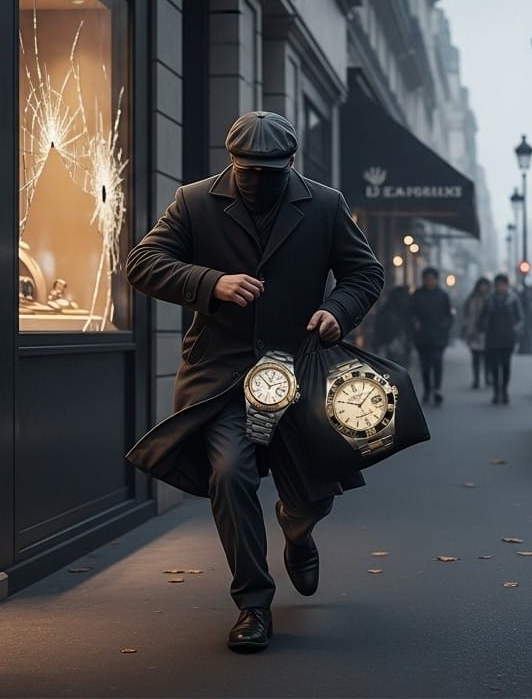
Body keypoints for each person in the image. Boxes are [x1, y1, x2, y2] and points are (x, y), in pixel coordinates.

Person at [125, 111, 385, 652]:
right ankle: (252, 604)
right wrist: (211, 282)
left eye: (270, 171)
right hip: (220, 378)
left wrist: (338, 310)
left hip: (302, 370)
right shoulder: (194, 201)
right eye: (247, 170)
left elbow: (366, 273)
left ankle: (297, 526)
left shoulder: (326, 204)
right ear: (231, 162)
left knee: (317, 488)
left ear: (290, 163)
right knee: (230, 473)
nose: (258, 180)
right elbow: (143, 262)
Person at [410, 267, 453, 405]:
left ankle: (437, 389)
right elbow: (411, 312)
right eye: (427, 279)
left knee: (437, 362)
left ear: (436, 280)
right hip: (422, 336)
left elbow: (449, 315)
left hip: (438, 335)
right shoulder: (418, 294)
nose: (429, 282)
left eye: (432, 279)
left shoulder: (443, 295)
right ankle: (428, 389)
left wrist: (445, 326)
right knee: (425, 365)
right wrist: (415, 322)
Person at [481, 274, 524, 404]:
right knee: (494, 367)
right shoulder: (489, 299)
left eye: (502, 285)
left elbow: (520, 317)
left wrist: (515, 330)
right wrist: (483, 327)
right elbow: (482, 317)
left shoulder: (513, 299)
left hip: (507, 337)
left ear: (506, 285)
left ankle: (504, 391)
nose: (500, 287)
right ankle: (496, 392)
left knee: (506, 366)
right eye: (498, 285)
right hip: (492, 337)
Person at [462, 278, 491, 389]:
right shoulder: (472, 298)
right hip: (473, 330)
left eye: (485, 285)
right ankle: (476, 379)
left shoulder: (490, 298)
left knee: (487, 357)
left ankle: (487, 377)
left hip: (486, 331)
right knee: (475, 356)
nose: (483, 288)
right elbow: (465, 313)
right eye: (481, 285)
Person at [372, 286, 413, 366]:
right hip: (402, 341)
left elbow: (379, 328)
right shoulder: (408, 310)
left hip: (389, 342)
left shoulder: (386, 309)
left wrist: (376, 345)